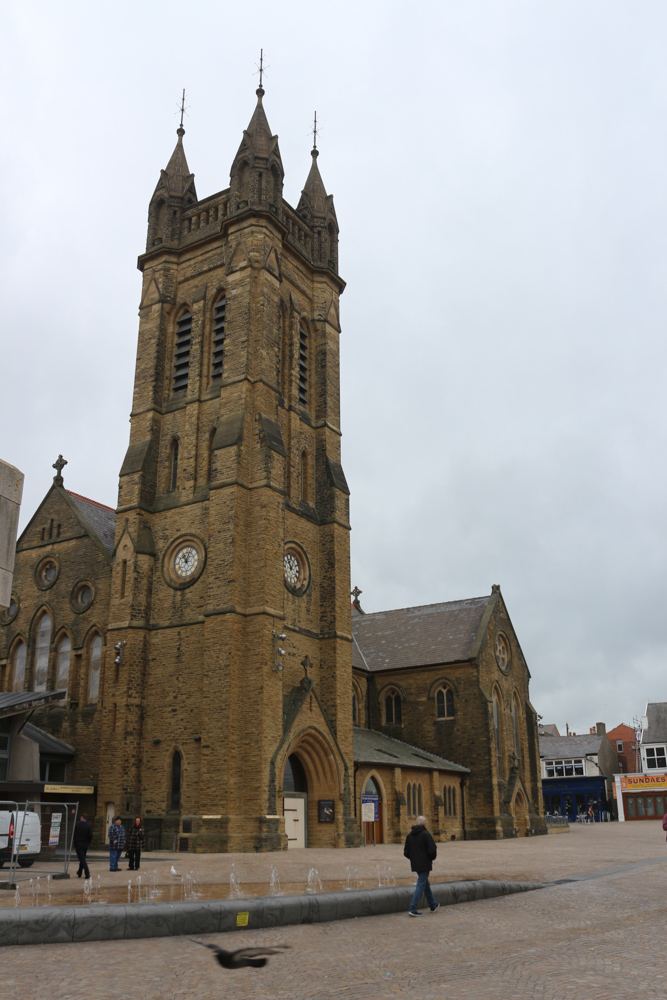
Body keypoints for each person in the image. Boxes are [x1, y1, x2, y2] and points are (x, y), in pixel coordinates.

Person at [404, 815, 440, 916]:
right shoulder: (426, 834)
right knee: (421, 884)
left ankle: (433, 905)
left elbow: (406, 852)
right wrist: (430, 858)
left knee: (425, 883)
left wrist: (414, 859)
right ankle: (412, 908)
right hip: (424, 864)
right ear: (424, 824)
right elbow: (432, 850)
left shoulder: (410, 835)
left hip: (416, 864)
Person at [73, 813, 93, 879]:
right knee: (82, 857)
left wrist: (74, 843)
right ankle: (80, 872)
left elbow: (74, 834)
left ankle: (87, 873)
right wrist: (88, 842)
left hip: (78, 844)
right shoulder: (88, 826)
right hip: (85, 844)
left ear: (81, 818)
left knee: (82, 859)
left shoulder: (77, 825)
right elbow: (90, 835)